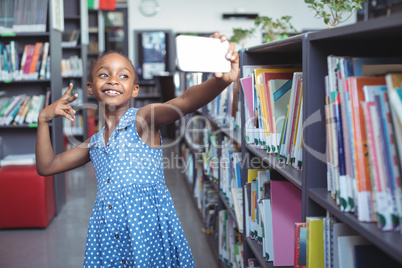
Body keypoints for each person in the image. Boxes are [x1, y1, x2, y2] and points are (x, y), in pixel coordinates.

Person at [35, 32, 239, 267]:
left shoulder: (142, 120)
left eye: (123, 76)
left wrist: (221, 81)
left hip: (148, 233)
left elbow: (184, 101)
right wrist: (43, 120)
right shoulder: (94, 143)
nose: (113, 80)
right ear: (91, 87)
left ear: (134, 89)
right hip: (109, 236)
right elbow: (47, 166)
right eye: (104, 74)